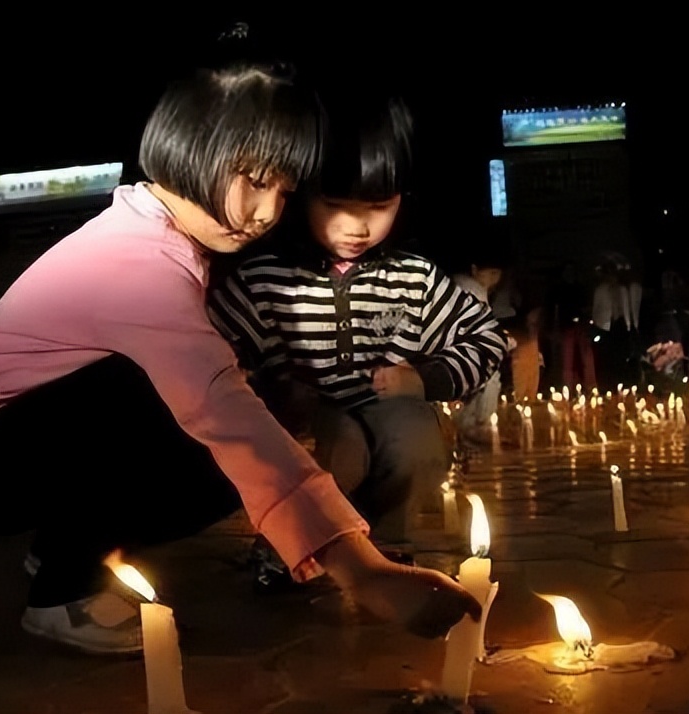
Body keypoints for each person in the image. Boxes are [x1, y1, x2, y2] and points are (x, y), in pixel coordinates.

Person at [0, 58, 480, 656]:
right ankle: (61, 592)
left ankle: (60, 548)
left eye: (283, 191)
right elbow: (223, 409)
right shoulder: (140, 263)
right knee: (188, 409)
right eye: (254, 179)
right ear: (191, 148)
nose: (267, 212)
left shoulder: (155, 234)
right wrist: (360, 568)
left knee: (219, 434)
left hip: (4, 445)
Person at [207, 90, 511, 576]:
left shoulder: (412, 278)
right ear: (300, 195)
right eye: (335, 204)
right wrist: (259, 387)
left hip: (386, 413)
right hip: (306, 425)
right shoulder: (268, 278)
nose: (357, 225)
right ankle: (291, 549)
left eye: (378, 205)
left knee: (416, 437)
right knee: (338, 446)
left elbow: (486, 337)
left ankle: (381, 542)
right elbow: (208, 344)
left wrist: (424, 379)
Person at [452, 255, 506, 443]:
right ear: (475, 269)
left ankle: (467, 426)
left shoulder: (464, 285)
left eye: (497, 274)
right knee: (490, 377)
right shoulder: (471, 289)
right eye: (490, 273)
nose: (494, 279)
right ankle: (480, 425)